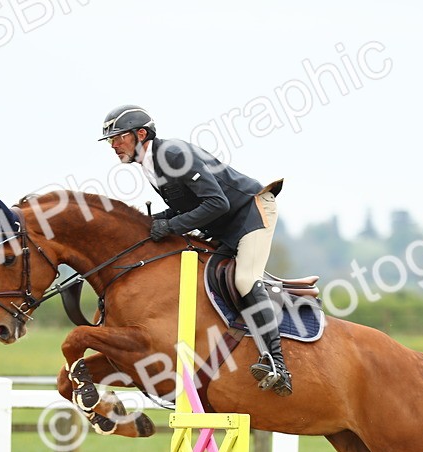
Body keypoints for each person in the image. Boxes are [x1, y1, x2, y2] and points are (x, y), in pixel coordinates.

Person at [98, 104, 291, 396]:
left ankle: (277, 364)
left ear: (141, 134)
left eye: (119, 137)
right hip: (224, 224)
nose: (114, 145)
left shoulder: (173, 154)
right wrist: (148, 222)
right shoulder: (151, 164)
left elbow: (217, 203)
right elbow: (185, 206)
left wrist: (171, 226)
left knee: (244, 279)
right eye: (111, 140)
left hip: (250, 213)